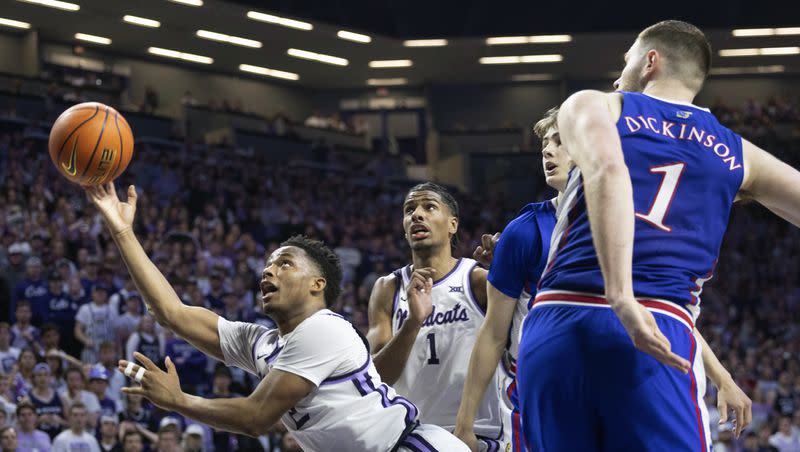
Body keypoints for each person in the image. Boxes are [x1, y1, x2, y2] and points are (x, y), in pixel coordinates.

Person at [517, 19, 800, 451]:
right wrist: (623, 300)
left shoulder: (597, 104)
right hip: (658, 320)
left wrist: (619, 294)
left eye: (626, 58)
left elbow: (608, 170)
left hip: (558, 318)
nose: (618, 73)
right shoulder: (738, 152)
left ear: (650, 61)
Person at [85, 182, 469, 452]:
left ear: (317, 284)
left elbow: (256, 417)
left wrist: (180, 400)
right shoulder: (264, 344)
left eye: (284, 264)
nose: (268, 272)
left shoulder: (325, 330)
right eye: (268, 265)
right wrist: (122, 232)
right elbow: (172, 313)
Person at [456, 107, 752, 451]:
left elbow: (662, 312)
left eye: (559, 142)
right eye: (544, 147)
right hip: (556, 388)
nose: (548, 152)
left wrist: (722, 378)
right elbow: (493, 333)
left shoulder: (630, 222)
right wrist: (465, 424)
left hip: (625, 380)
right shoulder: (524, 231)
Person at [366, 182, 503, 449]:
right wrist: (413, 323)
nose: (417, 215)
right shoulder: (388, 288)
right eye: (409, 210)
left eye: (429, 207)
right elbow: (377, 378)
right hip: (414, 437)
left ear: (452, 225)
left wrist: (510, 276)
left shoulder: (477, 280)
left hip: (477, 435)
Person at [28, 363, 65, 439]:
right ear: (34, 378)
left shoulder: (60, 397)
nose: (43, 378)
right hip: (36, 440)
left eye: (46, 375)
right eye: (39, 375)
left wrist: (59, 421)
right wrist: (39, 421)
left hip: (58, 440)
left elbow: (71, 423)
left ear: (51, 377)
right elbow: (22, 426)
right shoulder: (28, 399)